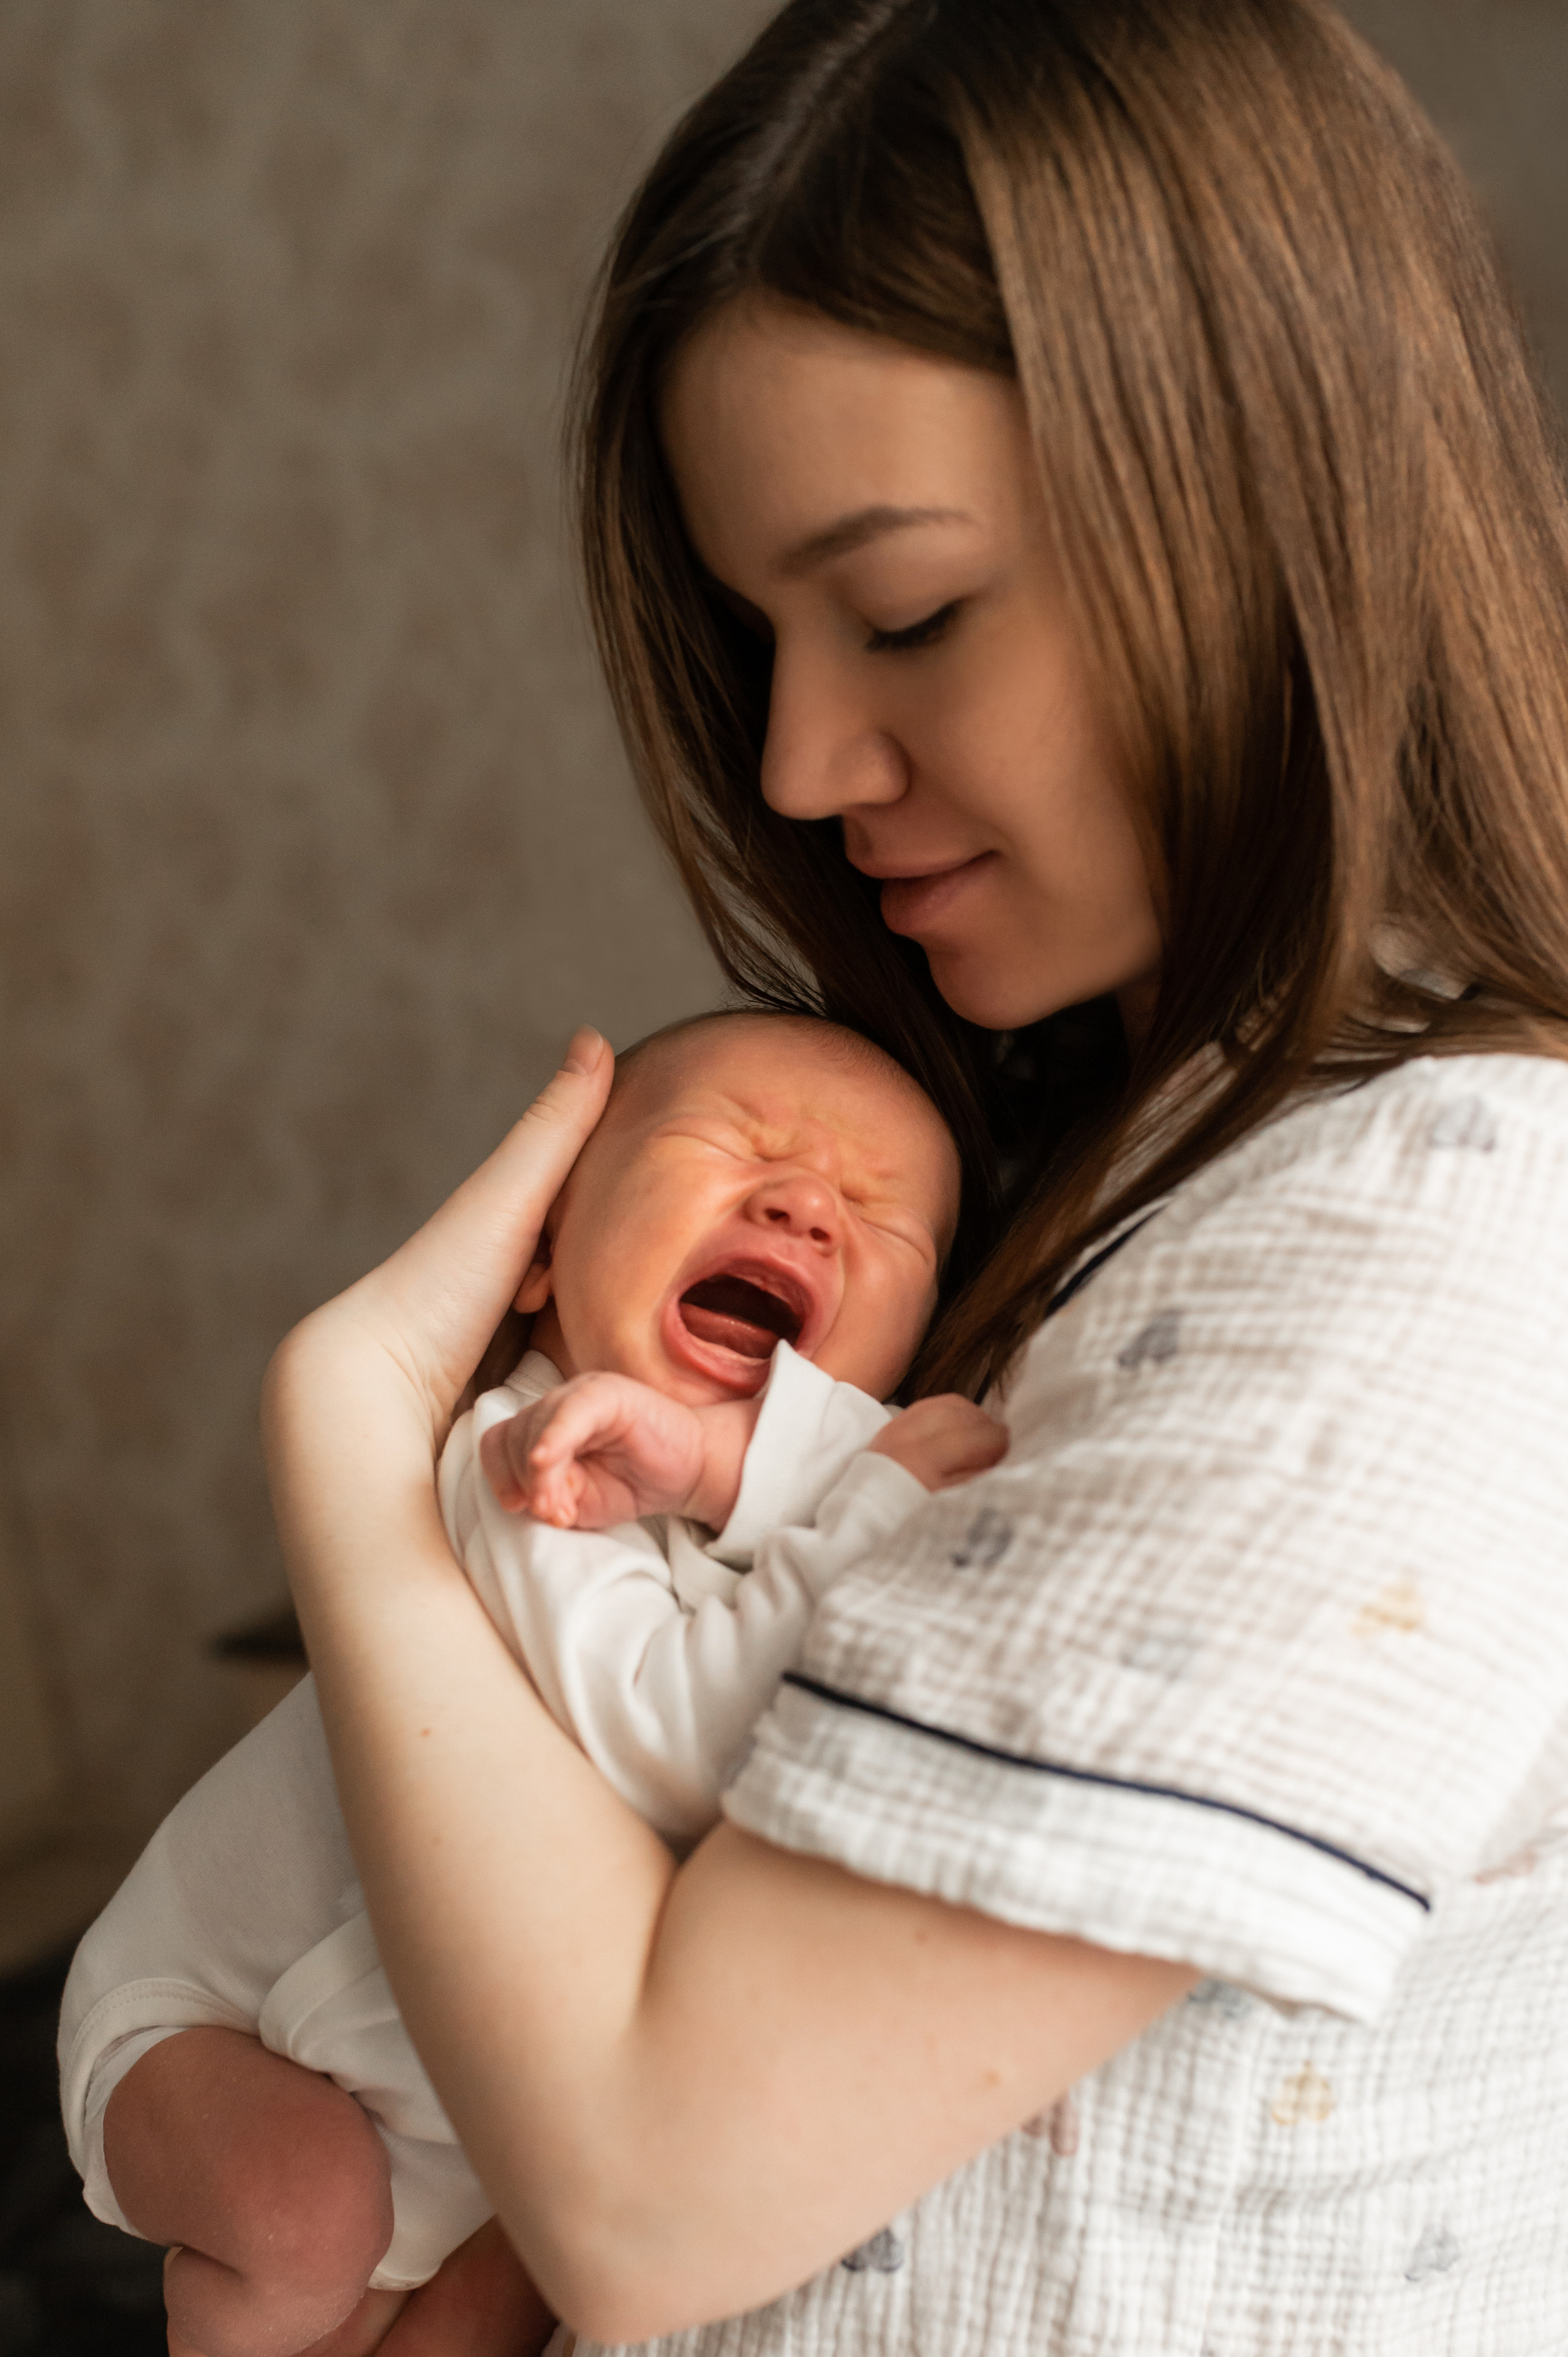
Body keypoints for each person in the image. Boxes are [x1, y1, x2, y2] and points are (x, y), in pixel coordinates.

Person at [197, 0, 1568, 2348]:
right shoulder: (1117, 1147)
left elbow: (649, 2190)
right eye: (759, 637)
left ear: (1267, 502)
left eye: (907, 610)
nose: (807, 759)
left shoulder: (1444, 1229)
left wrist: (353, 1447)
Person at [59, 1012, 1005, 2357]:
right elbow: (676, 1744)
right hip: (218, 2031)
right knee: (304, 2220)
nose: (801, 1206)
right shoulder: (526, 1460)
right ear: (544, 1247)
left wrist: (815, 1473)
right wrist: (883, 1499)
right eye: (728, 1145)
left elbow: (831, 1457)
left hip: (438, 2115)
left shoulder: (778, 1517)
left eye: (879, 1216)